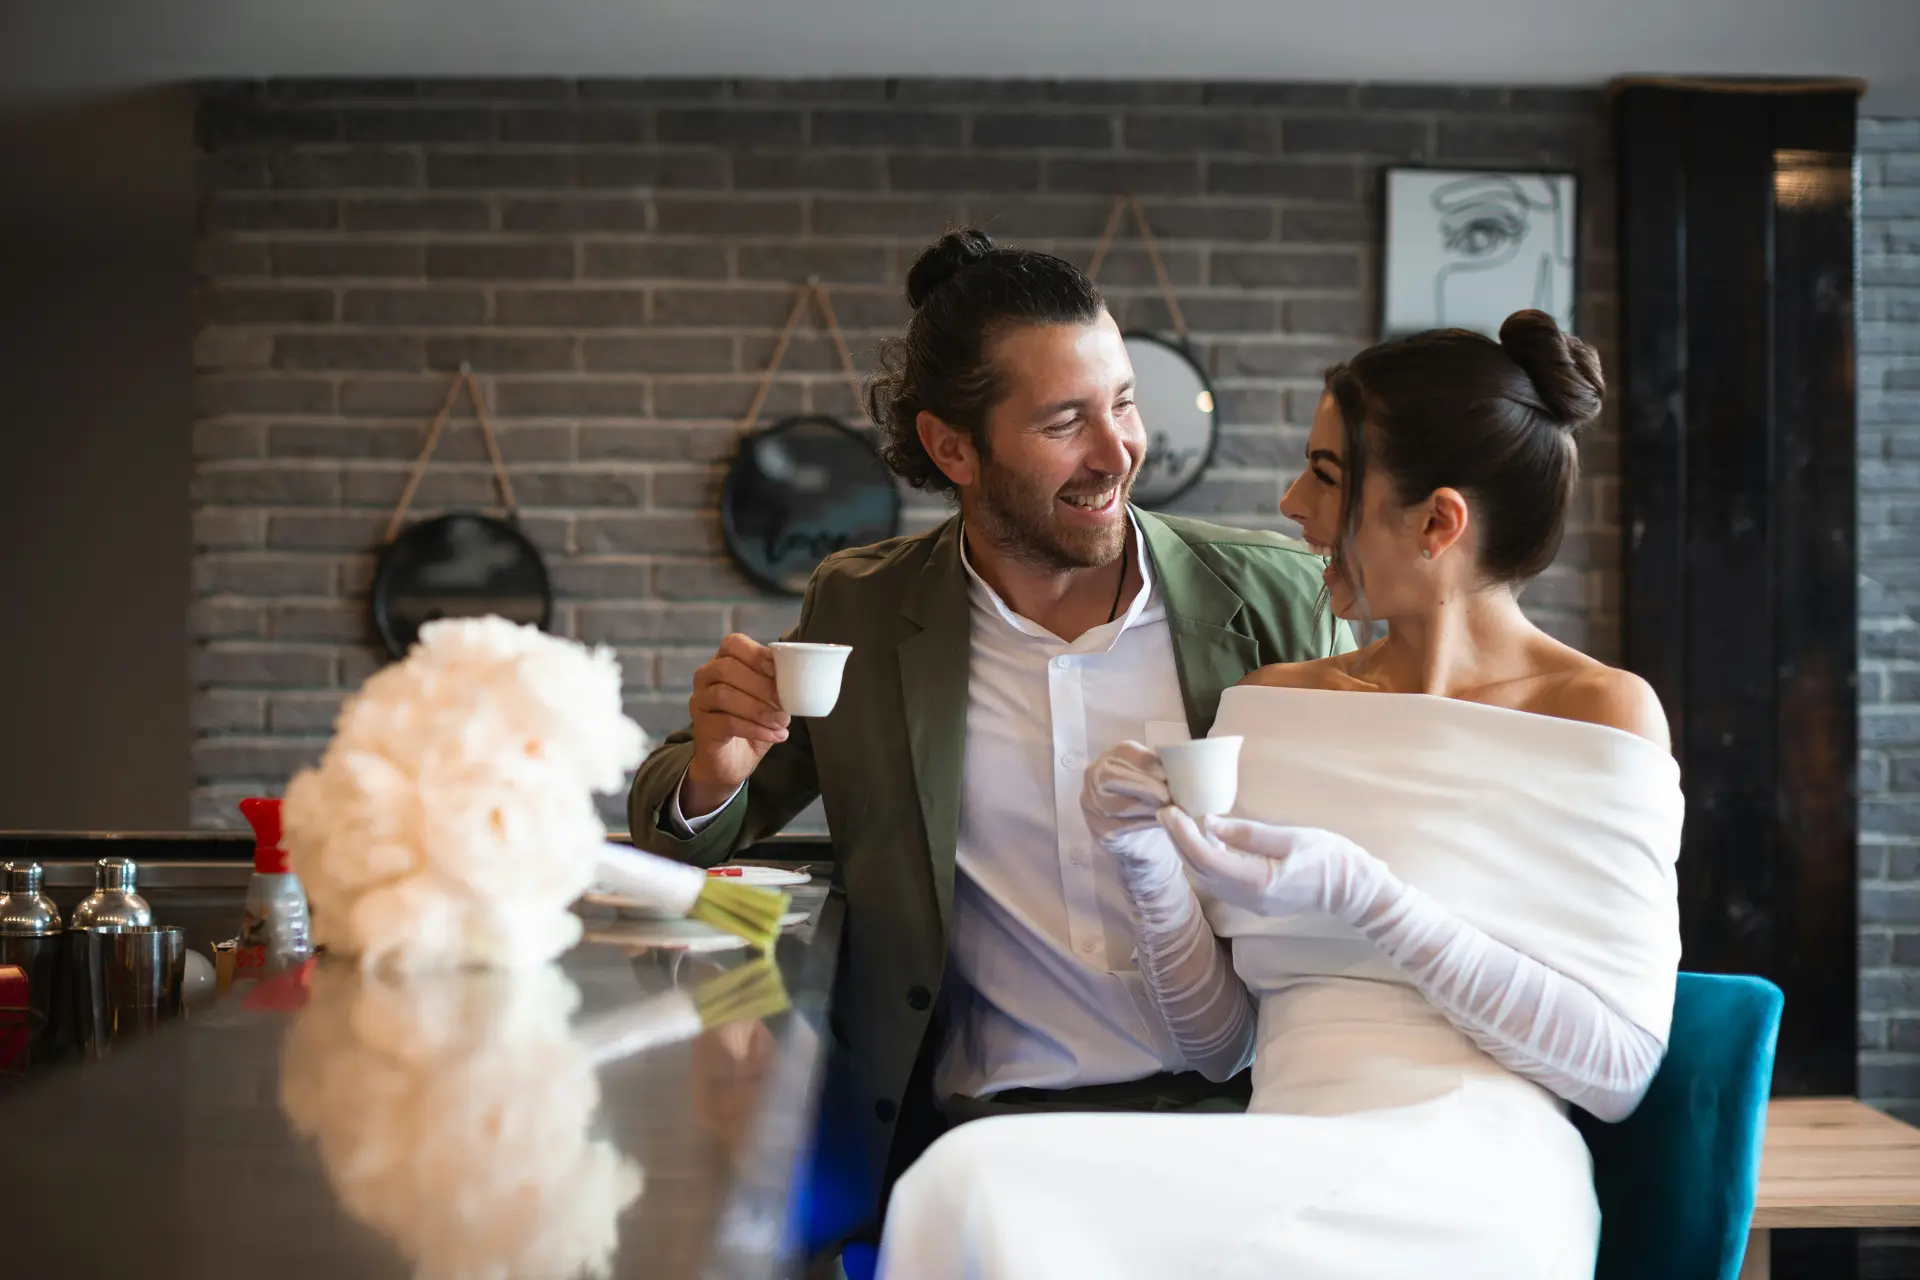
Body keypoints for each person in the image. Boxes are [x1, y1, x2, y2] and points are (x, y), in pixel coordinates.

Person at [875, 311, 1683, 1279]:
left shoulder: (1600, 712)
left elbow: (1617, 1069)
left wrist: (1371, 900)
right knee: (968, 1189)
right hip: (1277, 1144)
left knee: (972, 1182)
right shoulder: (1277, 702)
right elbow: (1219, 1043)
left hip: (1466, 1172)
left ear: (1436, 521)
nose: (1294, 503)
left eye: (1330, 477)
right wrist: (1140, 852)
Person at [625, 229, 1344, 1261]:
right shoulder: (866, 610)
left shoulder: (1273, 599)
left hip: (1238, 1131)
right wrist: (711, 769)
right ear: (954, 448)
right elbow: (685, 825)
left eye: (1125, 401)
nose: (1118, 451)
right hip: (984, 1151)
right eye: (1066, 421)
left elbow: (1375, 853)